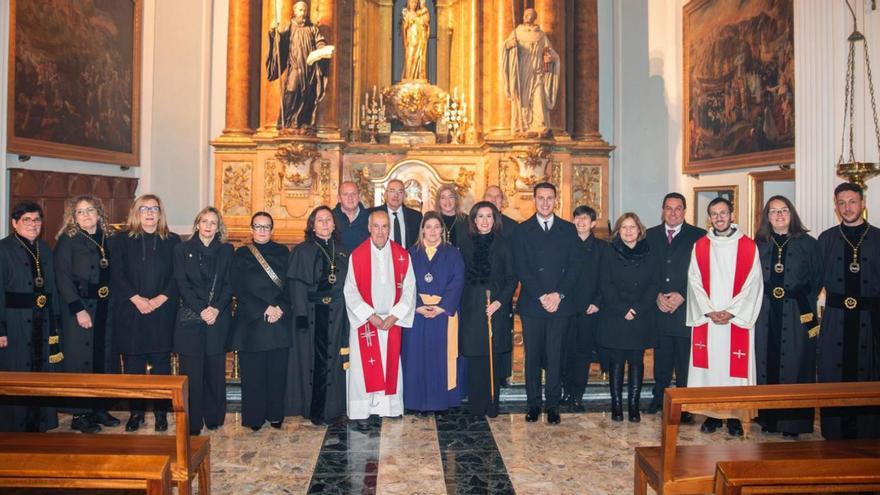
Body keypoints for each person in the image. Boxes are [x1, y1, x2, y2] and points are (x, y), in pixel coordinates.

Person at [686, 197, 763, 437]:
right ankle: (711, 415)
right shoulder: (700, 245)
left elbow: (753, 284)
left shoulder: (749, 246)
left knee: (733, 370)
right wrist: (709, 310)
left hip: (735, 320)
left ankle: (735, 418)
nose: (719, 218)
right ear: (709, 218)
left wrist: (731, 311)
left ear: (732, 215)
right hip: (708, 320)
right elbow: (694, 280)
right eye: (714, 214)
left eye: (723, 213)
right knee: (710, 369)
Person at [512, 182, 580, 425]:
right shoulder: (522, 230)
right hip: (533, 304)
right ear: (534, 200)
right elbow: (521, 266)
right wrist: (542, 295)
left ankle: (553, 405)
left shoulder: (568, 229)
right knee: (532, 357)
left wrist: (557, 294)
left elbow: (574, 267)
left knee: (555, 356)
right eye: (540, 198)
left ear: (556, 200)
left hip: (559, 305)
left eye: (549, 198)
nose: (544, 202)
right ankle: (533, 405)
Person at [111, 194, 180, 433]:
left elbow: (177, 276)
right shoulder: (121, 240)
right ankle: (136, 413)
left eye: (154, 209)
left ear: (160, 214)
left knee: (161, 365)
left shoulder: (172, 241)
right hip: (131, 312)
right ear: (135, 213)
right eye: (144, 209)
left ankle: (161, 413)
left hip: (162, 312)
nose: (150, 213)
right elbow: (116, 274)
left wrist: (160, 299)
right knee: (133, 366)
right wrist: (136, 299)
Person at [754, 196, 821, 438]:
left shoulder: (809, 244)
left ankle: (794, 424)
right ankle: (768, 420)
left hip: (796, 312)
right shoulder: (758, 244)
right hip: (766, 311)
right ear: (767, 217)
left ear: (792, 214)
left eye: (784, 210)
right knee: (766, 360)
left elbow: (817, 278)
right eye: (773, 211)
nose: (779, 215)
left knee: (797, 363)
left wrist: (797, 297)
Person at [817, 182, 880, 440]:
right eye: (841, 203)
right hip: (835, 320)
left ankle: (869, 433)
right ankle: (834, 433)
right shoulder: (827, 238)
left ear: (863, 204)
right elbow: (813, 282)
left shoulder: (878, 237)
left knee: (869, 373)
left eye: (852, 202)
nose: (847, 207)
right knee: (833, 372)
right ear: (836, 206)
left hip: (871, 319)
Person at [343, 210, 416, 430]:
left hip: (392, 321)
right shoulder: (357, 256)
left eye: (385, 227)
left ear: (389, 229)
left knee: (389, 364)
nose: (381, 231)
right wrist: (370, 316)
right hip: (367, 321)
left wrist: (395, 315)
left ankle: (389, 407)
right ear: (369, 228)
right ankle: (362, 410)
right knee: (362, 369)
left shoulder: (402, 255)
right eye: (376, 226)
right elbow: (351, 291)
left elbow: (410, 289)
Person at [54, 195, 120, 433]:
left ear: (99, 212)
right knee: (81, 360)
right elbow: (62, 278)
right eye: (80, 212)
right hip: (81, 308)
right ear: (73, 217)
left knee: (103, 359)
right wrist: (78, 309)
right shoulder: (67, 240)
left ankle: (99, 407)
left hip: (106, 308)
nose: (86, 215)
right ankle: (80, 413)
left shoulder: (109, 237)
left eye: (90, 210)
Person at [173, 207, 234, 436]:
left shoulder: (227, 251)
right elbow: (182, 284)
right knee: (192, 372)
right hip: (191, 319)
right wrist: (202, 310)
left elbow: (230, 284)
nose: (209, 226)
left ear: (219, 227)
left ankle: (214, 418)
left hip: (217, 318)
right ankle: (193, 422)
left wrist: (215, 309)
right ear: (197, 224)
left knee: (215, 372)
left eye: (214, 223)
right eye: (205, 221)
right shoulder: (182, 249)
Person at [286, 206, 350, 425]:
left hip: (337, 313)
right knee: (311, 361)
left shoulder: (341, 250)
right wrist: (301, 316)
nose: (325, 224)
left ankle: (331, 409)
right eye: (320, 220)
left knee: (334, 360)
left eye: (328, 220)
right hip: (312, 315)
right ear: (312, 225)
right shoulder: (302, 251)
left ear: (334, 224)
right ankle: (312, 409)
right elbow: (296, 286)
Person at [644, 193, 706, 421]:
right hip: (658, 307)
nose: (673, 213)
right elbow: (644, 272)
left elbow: (704, 273)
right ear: (662, 210)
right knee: (661, 358)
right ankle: (659, 398)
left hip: (685, 309)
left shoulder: (699, 236)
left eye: (678, 208)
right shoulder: (649, 236)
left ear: (684, 211)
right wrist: (656, 295)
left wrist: (683, 294)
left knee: (683, 360)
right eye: (668, 208)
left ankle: (684, 405)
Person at [0, 201, 60, 432]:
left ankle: (41, 421)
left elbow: (51, 287)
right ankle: (16, 425)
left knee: (42, 371)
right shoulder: (3, 249)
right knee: (17, 371)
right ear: (14, 223)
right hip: (14, 322)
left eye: (37, 220)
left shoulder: (44, 248)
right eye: (27, 220)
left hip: (42, 321)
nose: (33, 225)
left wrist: (55, 323)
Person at [232, 212, 291, 431]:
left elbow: (290, 285)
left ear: (272, 229)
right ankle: (254, 417)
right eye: (258, 226)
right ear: (251, 229)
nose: (262, 230)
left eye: (266, 227)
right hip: (252, 320)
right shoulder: (241, 255)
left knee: (277, 371)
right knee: (253, 373)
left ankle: (276, 414)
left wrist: (280, 309)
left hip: (279, 320)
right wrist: (263, 308)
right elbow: (238, 287)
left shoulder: (283, 252)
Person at [458, 202, 516, 418]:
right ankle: (476, 406)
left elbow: (511, 278)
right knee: (475, 359)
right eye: (480, 216)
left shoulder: (504, 245)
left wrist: (499, 301)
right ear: (473, 220)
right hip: (471, 308)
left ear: (495, 219)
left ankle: (492, 405)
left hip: (495, 308)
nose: (484, 221)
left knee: (491, 357)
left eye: (489, 216)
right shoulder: (464, 244)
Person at [402, 212, 464, 415]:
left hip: (442, 314)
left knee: (441, 358)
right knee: (417, 357)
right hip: (418, 314)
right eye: (428, 227)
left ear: (442, 230)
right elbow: (403, 282)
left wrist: (442, 306)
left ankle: (440, 402)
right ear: (422, 230)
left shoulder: (453, 253)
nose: (433, 231)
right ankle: (417, 401)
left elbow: (457, 281)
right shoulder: (410, 254)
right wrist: (417, 305)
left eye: (437, 227)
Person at [599, 213, 657, 422]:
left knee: (636, 361)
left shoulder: (649, 252)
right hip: (616, 314)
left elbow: (653, 284)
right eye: (624, 227)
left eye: (632, 227)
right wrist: (623, 308)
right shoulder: (609, 252)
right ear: (618, 231)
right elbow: (605, 284)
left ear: (639, 230)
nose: (629, 231)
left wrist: (638, 309)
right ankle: (616, 406)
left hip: (641, 315)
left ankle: (633, 405)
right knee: (617, 361)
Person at [560, 205, 607, 412]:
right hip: (565, 307)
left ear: (593, 223)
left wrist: (597, 301)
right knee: (564, 351)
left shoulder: (602, 248)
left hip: (589, 308)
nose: (581, 222)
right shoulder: (564, 245)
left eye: (585, 219)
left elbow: (607, 278)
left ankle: (577, 394)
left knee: (583, 353)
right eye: (577, 218)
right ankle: (565, 391)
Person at [267, 0, 331, 132]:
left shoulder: (312, 28)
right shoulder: (290, 26)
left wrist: (322, 49)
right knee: (291, 90)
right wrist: (273, 32)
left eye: (305, 11)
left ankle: (301, 121)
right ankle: (286, 120)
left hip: (309, 68)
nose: (303, 13)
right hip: (295, 66)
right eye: (301, 10)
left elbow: (319, 41)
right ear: (295, 12)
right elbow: (281, 39)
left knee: (308, 94)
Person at [502, 8, 560, 138]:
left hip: (538, 72)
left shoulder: (541, 35)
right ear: (523, 17)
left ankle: (539, 125)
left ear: (535, 18)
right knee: (523, 100)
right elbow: (505, 47)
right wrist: (510, 45)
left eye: (531, 15)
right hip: (523, 72)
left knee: (539, 96)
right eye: (526, 15)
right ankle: (521, 125)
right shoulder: (517, 33)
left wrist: (551, 58)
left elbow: (550, 52)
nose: (528, 17)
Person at [483, 185, 517, 383]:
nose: (494, 199)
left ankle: (502, 375)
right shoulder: (476, 224)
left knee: (503, 333)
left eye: (498, 197)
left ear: (502, 201)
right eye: (490, 196)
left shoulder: (513, 226)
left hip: (504, 288)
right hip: (483, 289)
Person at [373, 179, 422, 249]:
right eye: (392, 191)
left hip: (407, 258)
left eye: (400, 192)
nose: (396, 195)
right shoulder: (373, 214)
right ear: (385, 194)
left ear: (404, 196)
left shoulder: (416, 217)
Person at [333, 181, 370, 252]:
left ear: (359, 196)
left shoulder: (370, 218)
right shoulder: (330, 218)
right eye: (345, 194)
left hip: (362, 262)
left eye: (353, 194)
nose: (350, 198)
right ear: (339, 198)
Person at [400, 0, 429, 81]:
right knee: (410, 57)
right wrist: (405, 40)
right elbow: (404, 28)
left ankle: (417, 76)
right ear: (409, 3)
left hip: (419, 40)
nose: (414, 4)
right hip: (411, 40)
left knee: (419, 58)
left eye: (416, 3)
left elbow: (425, 24)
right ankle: (408, 77)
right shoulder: (407, 14)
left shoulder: (419, 14)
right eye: (412, 2)